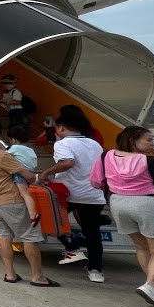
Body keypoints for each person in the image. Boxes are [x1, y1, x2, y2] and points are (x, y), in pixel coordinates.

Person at [90, 126, 154, 307]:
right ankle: (151, 285)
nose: (152, 143)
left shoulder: (106, 156)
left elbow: (95, 181)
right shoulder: (151, 161)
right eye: (148, 140)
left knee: (141, 247)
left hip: (118, 204)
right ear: (133, 141)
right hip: (146, 204)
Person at [0, 120, 56, 286]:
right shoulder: (0, 154)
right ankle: (37, 277)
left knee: (4, 237)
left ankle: (10, 273)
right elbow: (29, 176)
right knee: (29, 237)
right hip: (12, 201)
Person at [36, 115, 107, 282]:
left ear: (60, 128)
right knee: (93, 234)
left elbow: (68, 162)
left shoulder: (63, 143)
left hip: (68, 193)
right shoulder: (94, 144)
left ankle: (73, 246)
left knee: (48, 221)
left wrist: (46, 173)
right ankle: (95, 270)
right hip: (93, 194)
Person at [3, 124, 39, 219]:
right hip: (30, 171)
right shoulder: (30, 149)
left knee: (25, 194)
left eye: (10, 140)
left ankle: (33, 215)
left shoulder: (14, 148)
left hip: (20, 174)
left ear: (14, 140)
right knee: (27, 193)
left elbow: (3, 155)